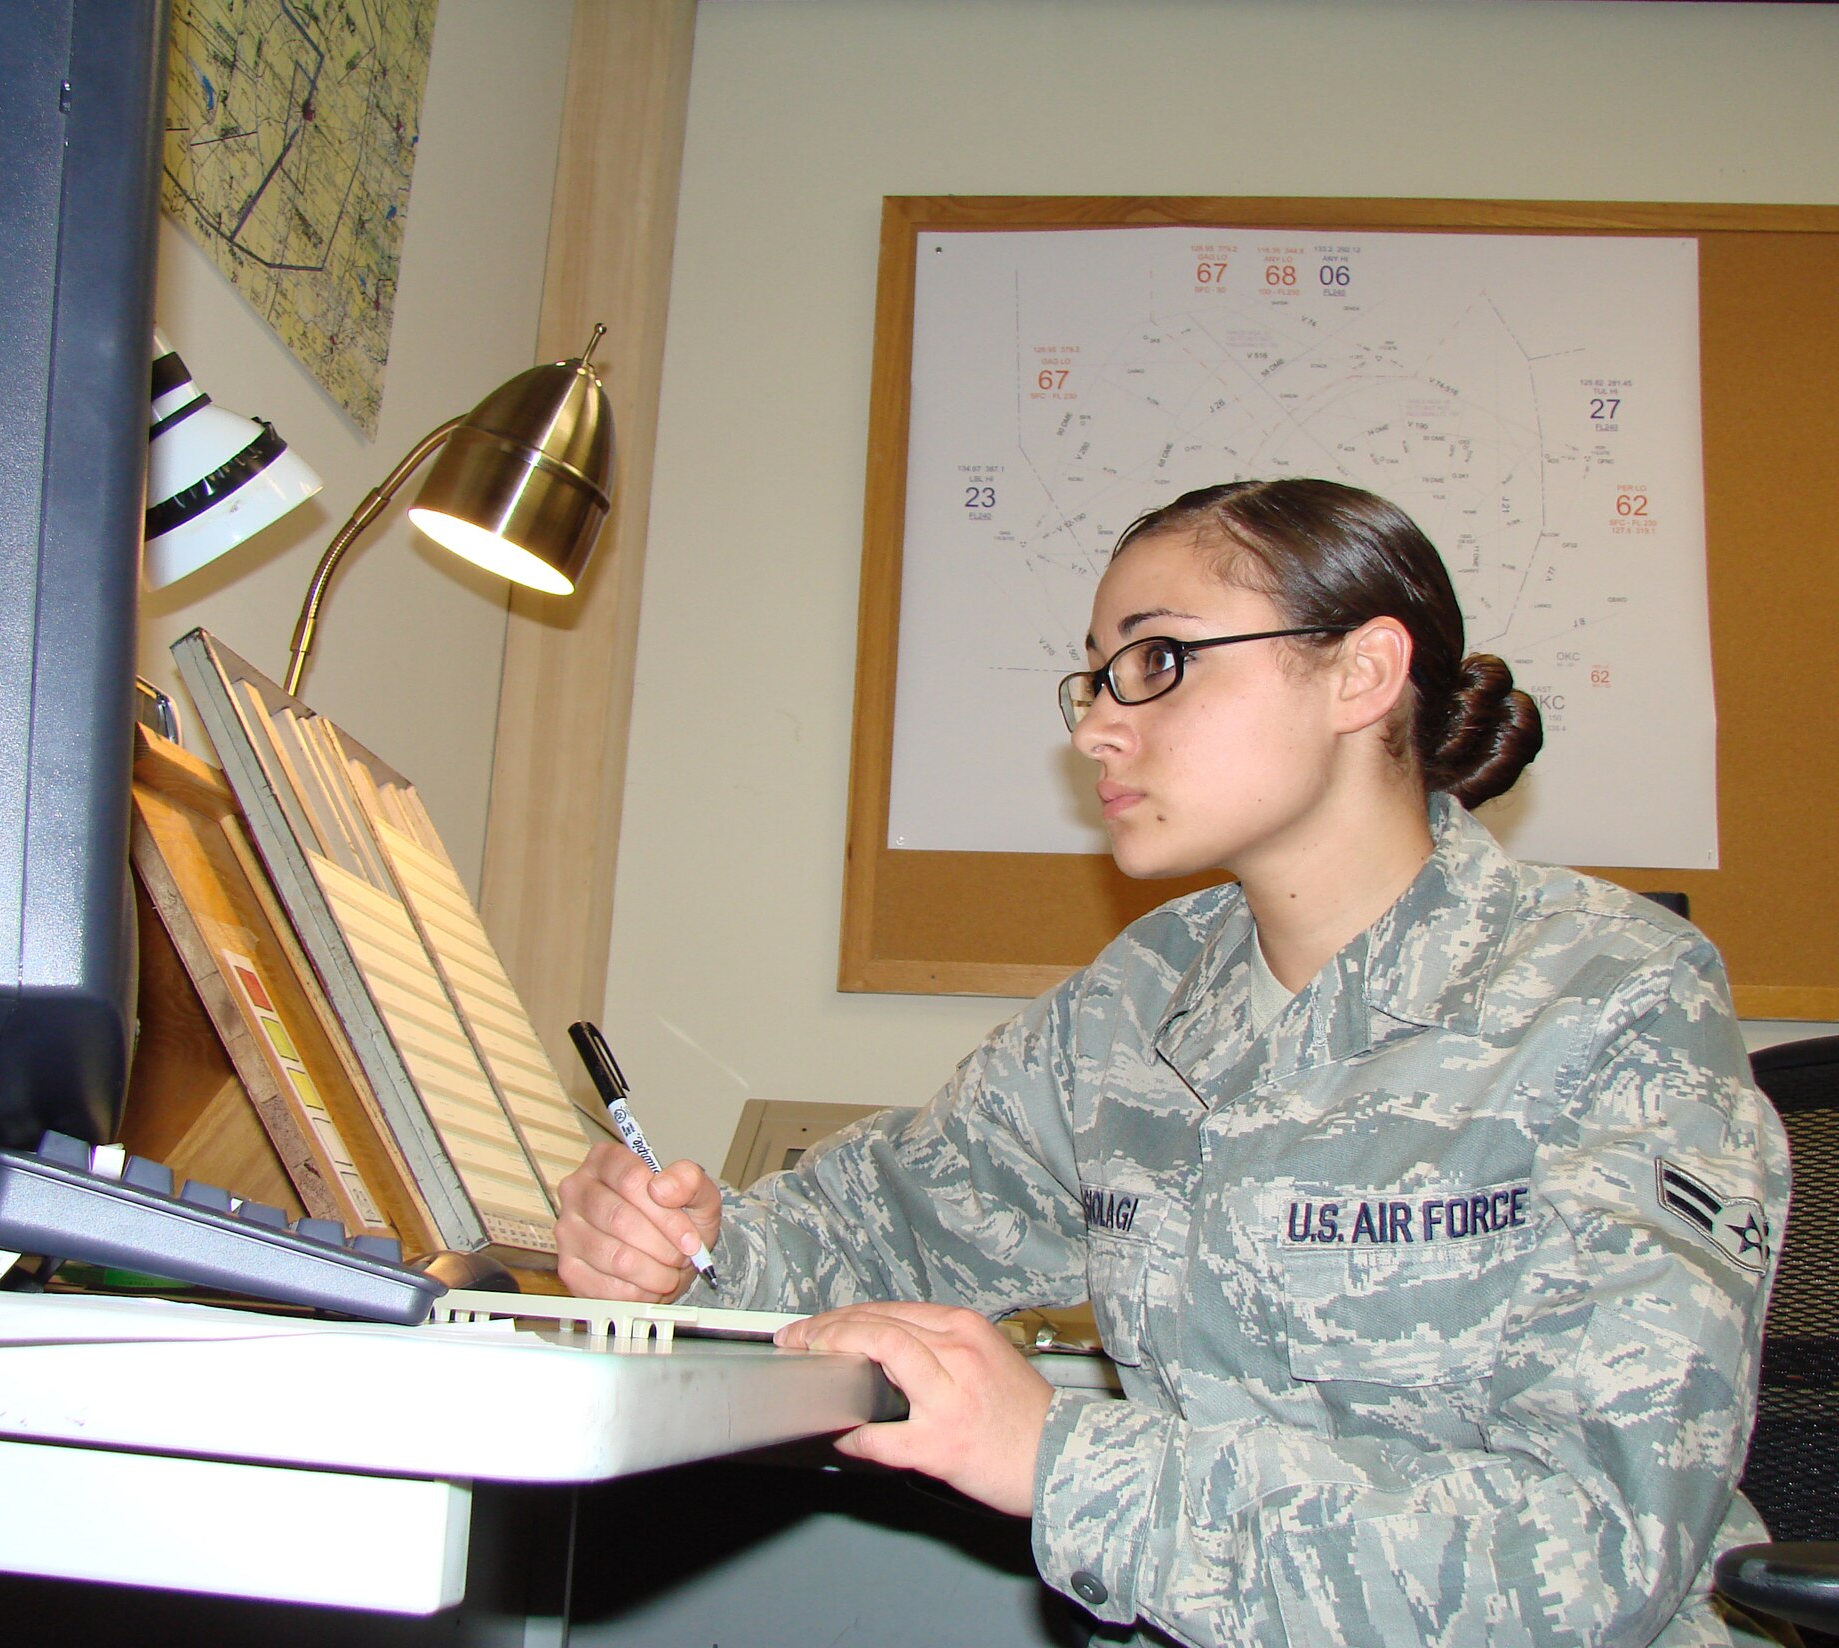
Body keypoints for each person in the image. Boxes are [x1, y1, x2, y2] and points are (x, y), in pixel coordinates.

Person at [556, 478, 1787, 1647]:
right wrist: (686, 1253)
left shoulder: (1609, 997)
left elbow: (1593, 1556)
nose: (1096, 725)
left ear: (1360, 672)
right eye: (1093, 678)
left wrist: (1060, 1458)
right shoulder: (1137, 1002)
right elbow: (883, 1220)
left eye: (1155, 661)